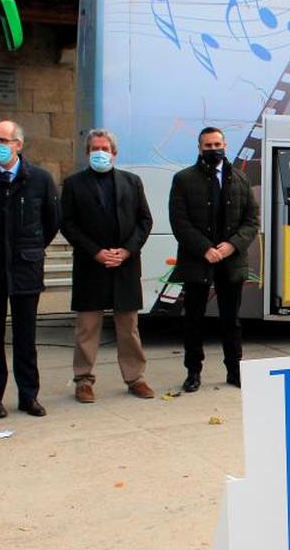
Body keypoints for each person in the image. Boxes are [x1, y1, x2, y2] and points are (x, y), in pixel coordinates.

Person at [0, 120, 60, 418]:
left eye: (4, 141)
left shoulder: (40, 179)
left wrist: (29, 248)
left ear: (18, 144)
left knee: (25, 338)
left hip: (25, 268)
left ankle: (28, 396)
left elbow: (51, 222)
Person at [60, 129, 155, 402]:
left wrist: (126, 251)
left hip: (125, 265)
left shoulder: (132, 182)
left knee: (129, 327)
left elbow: (144, 221)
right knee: (87, 328)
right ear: (87, 152)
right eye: (94, 148)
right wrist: (96, 252)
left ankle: (135, 378)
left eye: (105, 148)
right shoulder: (74, 184)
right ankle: (83, 381)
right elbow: (68, 224)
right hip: (91, 265)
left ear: (114, 153)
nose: (100, 152)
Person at [168, 127, 259, 391]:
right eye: (207, 145)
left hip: (231, 261)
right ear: (199, 148)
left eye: (217, 144)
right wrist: (204, 249)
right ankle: (193, 373)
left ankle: (234, 370)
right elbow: (179, 221)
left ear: (225, 145)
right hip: (197, 260)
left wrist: (232, 246)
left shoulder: (240, 179)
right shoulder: (183, 179)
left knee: (231, 320)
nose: (213, 148)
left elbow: (251, 220)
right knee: (193, 320)